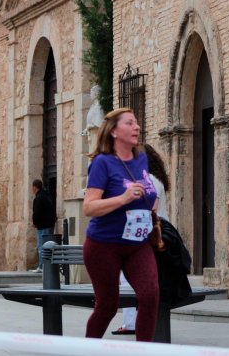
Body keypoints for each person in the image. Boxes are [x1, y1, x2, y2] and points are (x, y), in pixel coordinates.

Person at [82, 108, 159, 342]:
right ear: (114, 131)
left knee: (150, 295)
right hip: (103, 245)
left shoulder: (142, 158)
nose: (136, 127)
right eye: (130, 123)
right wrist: (124, 198)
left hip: (137, 243)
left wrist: (150, 203)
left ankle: (143, 351)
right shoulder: (102, 163)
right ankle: (87, 349)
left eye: (136, 123)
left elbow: (147, 190)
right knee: (107, 305)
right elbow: (89, 207)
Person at [112, 143, 171, 335]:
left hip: (144, 233)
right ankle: (140, 322)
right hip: (154, 232)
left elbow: (149, 207)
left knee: (128, 278)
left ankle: (131, 323)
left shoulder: (149, 180)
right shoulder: (157, 179)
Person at [30, 179, 55, 273]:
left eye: (32, 187)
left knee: (42, 246)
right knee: (48, 246)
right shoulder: (47, 195)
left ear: (35, 187)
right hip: (49, 224)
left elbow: (37, 213)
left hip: (43, 225)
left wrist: (35, 223)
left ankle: (41, 266)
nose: (31, 189)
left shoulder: (38, 198)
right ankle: (46, 266)